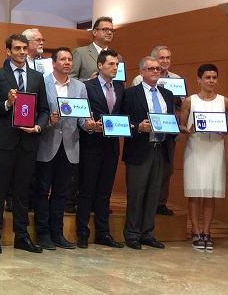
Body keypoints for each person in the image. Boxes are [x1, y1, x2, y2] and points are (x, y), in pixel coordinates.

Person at [0, 34, 49, 254]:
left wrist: (38, 127)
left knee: (22, 192)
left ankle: (22, 236)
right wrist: (7, 103)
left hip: (28, 142)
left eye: (24, 48)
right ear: (8, 51)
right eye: (17, 48)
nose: (21, 52)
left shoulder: (37, 77)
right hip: (4, 142)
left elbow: (44, 110)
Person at [33, 48, 93, 251]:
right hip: (47, 143)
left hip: (70, 145)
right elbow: (37, 113)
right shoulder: (42, 82)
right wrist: (48, 121)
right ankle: (43, 233)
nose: (67, 62)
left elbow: (83, 118)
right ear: (53, 63)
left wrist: (89, 125)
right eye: (63, 59)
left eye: (69, 59)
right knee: (42, 191)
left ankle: (57, 233)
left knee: (61, 193)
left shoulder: (79, 87)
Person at [121, 56, 175, 250]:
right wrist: (137, 127)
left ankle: (146, 233)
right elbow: (121, 120)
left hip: (161, 148)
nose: (155, 72)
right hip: (139, 149)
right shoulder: (130, 93)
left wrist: (174, 129)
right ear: (141, 72)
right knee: (136, 194)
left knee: (153, 193)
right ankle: (132, 233)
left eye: (158, 69)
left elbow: (171, 119)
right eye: (151, 69)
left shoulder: (167, 94)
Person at [178, 63, 228, 250]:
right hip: (196, 148)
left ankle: (207, 231)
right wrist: (188, 130)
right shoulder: (189, 101)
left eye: (214, 77)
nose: (211, 81)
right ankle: (195, 230)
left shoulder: (224, 101)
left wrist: (225, 130)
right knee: (195, 192)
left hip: (215, 148)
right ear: (199, 80)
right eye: (207, 77)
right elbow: (181, 125)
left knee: (210, 192)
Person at [76, 50, 125, 249]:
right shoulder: (87, 87)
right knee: (86, 190)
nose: (115, 68)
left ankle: (103, 233)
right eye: (111, 64)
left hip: (111, 146)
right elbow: (82, 112)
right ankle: (82, 232)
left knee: (105, 192)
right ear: (100, 65)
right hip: (91, 143)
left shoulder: (120, 88)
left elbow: (121, 114)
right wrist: (89, 125)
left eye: (117, 65)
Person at [131, 45, 181, 216]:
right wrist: (138, 126)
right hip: (142, 140)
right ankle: (135, 225)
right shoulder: (137, 84)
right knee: (140, 185)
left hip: (165, 139)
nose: (164, 62)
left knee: (162, 176)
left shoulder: (173, 83)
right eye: (161, 58)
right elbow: (132, 110)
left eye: (167, 58)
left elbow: (179, 107)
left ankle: (157, 210)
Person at [69, 17, 116, 81]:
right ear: (95, 32)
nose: (110, 33)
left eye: (112, 30)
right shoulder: (80, 53)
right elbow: (70, 79)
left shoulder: (117, 57)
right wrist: (89, 81)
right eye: (105, 29)